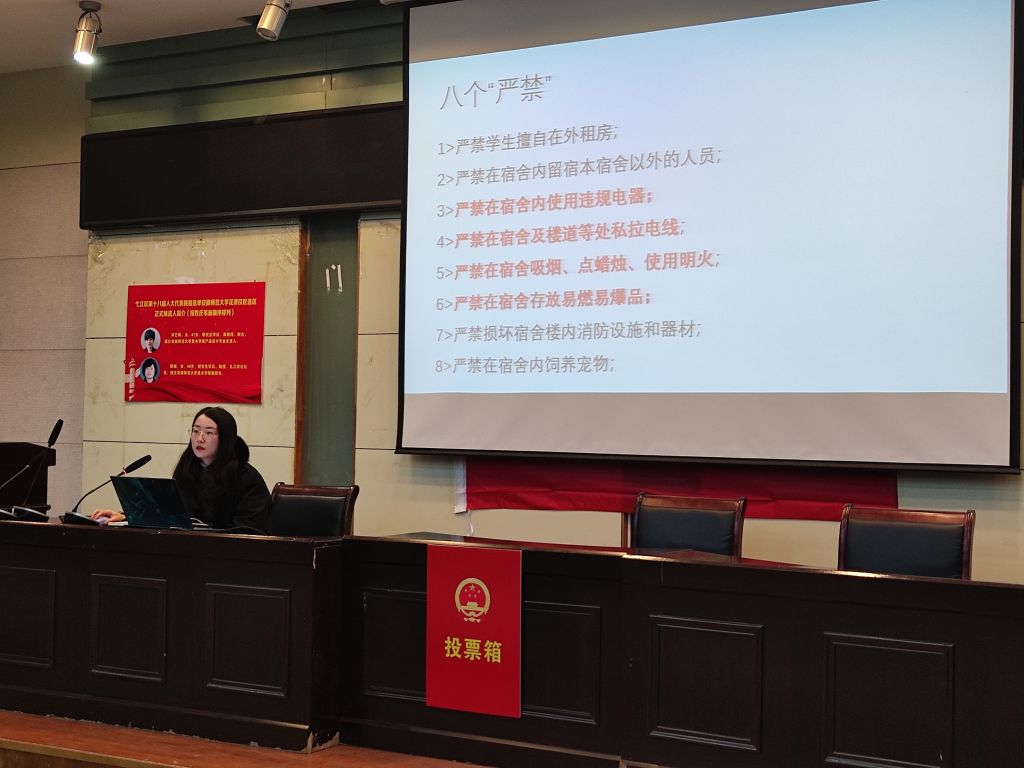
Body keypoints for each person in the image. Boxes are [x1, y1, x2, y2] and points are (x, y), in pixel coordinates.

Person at [92, 407, 271, 533]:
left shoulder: (246, 478)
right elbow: (171, 515)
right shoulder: (188, 470)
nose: (199, 438)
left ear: (225, 439)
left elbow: (250, 531)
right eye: (195, 431)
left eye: (209, 432)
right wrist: (127, 517)